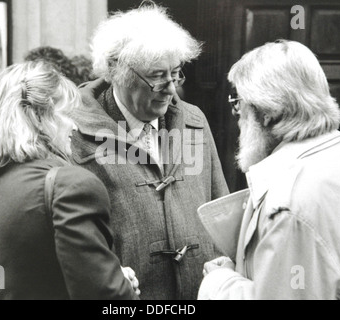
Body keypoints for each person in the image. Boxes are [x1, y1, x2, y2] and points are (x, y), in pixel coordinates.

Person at [71, 2, 229, 299]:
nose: (170, 89)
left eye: (177, 73)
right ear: (116, 70)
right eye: (157, 77)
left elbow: (219, 208)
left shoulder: (194, 120)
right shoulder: (76, 132)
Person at [198, 40, 340, 300]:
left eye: (238, 101)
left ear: (266, 113)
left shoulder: (290, 203)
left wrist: (219, 282)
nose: (236, 112)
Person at [0, 61, 139, 300]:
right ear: (39, 117)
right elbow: (102, 295)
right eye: (67, 114)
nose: (75, 126)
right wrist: (124, 286)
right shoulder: (70, 185)